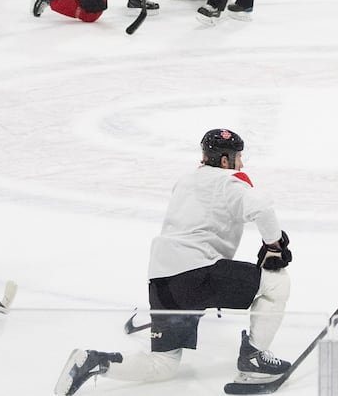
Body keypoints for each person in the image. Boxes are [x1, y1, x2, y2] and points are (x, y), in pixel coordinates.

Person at [54, 129, 292, 394]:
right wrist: (274, 246)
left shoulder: (185, 180)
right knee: (276, 283)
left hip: (161, 280)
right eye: (238, 157)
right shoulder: (230, 179)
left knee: (163, 363)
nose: (241, 163)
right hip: (198, 275)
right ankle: (254, 358)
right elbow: (262, 207)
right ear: (225, 160)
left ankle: (94, 361)